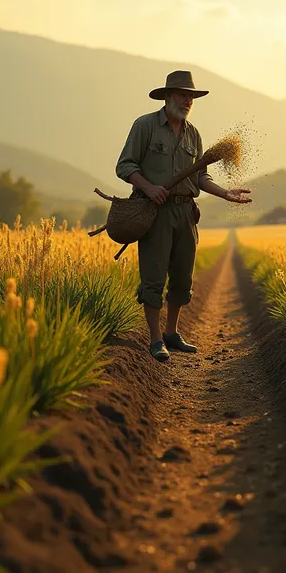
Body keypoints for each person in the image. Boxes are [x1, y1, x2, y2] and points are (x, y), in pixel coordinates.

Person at [115, 70, 252, 362]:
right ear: (167, 96)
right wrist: (149, 188)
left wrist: (225, 193)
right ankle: (154, 340)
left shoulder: (193, 134)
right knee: (153, 278)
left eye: (191, 96)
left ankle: (172, 334)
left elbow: (200, 177)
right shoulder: (145, 126)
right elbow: (125, 166)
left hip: (186, 212)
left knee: (181, 278)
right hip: (155, 212)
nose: (187, 100)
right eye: (182, 94)